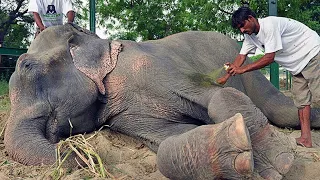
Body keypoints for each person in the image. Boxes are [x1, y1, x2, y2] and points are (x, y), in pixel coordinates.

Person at [217, 7, 320, 148]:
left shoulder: (269, 25)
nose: (242, 30)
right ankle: (306, 139)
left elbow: (270, 57)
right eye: (239, 29)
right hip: (296, 65)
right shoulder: (250, 37)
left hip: (312, 53)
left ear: (250, 18)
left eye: (242, 26)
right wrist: (226, 76)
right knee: (301, 102)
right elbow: (241, 56)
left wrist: (243, 69)